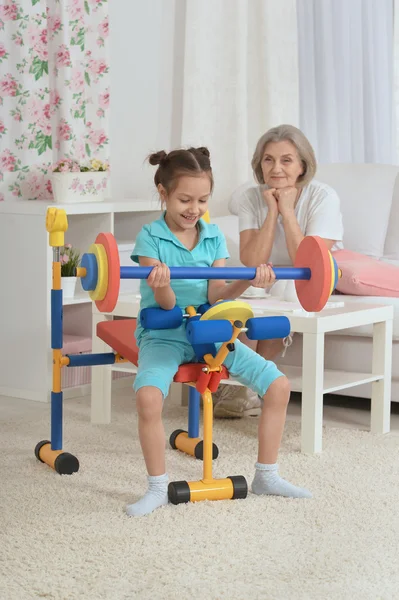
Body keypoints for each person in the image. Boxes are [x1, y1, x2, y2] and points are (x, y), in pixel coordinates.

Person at [126, 146, 312, 517]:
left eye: (202, 200)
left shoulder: (211, 237)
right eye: (184, 199)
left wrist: (249, 280)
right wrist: (161, 282)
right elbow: (164, 305)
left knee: (278, 386)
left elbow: (217, 294)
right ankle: (157, 487)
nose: (193, 209)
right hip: (164, 332)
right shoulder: (150, 237)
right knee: (148, 398)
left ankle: (267, 475)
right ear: (163, 193)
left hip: (210, 331)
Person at [213, 124, 344, 419]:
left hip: (314, 277)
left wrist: (287, 210)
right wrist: (272, 212)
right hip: (268, 274)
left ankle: (249, 387)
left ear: (302, 165)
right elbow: (251, 258)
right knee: (241, 293)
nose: (276, 168)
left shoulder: (323, 197)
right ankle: (239, 382)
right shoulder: (250, 197)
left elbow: (309, 262)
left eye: (286, 160)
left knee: (284, 293)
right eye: (268, 159)